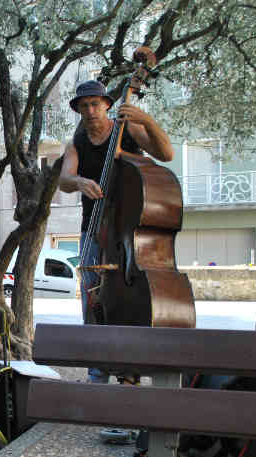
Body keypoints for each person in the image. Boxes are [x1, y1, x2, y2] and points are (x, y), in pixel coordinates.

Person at [58, 80, 174, 384]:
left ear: (107, 105)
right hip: (94, 229)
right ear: (79, 110)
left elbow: (166, 154)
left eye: (96, 104)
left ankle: (129, 370)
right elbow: (64, 178)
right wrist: (80, 182)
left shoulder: (127, 130)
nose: (90, 110)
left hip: (130, 230)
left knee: (131, 298)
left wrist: (145, 119)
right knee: (92, 300)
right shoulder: (77, 142)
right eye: (84, 106)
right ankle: (97, 372)